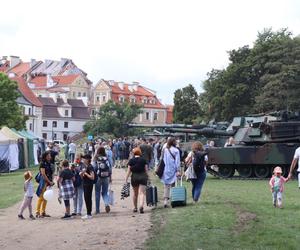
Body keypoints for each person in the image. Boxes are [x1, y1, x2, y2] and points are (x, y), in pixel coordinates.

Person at [125, 147, 149, 213]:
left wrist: (126, 179)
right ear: (140, 152)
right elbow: (146, 170)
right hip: (143, 177)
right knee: (142, 193)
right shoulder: (143, 160)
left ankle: (135, 208)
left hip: (134, 177)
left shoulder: (131, 160)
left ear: (133, 153)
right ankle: (141, 206)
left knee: (135, 194)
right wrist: (148, 177)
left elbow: (128, 171)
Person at [161, 137, 181, 208]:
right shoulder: (176, 150)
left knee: (166, 186)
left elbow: (162, 159)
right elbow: (177, 162)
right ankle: (173, 200)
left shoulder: (165, 149)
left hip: (165, 169)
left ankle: (165, 201)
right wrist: (178, 170)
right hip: (173, 169)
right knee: (173, 185)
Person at [93, 146, 112, 214]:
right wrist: (110, 177)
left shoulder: (96, 158)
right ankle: (106, 204)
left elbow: (94, 167)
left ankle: (97, 210)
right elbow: (110, 167)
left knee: (97, 193)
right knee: (105, 193)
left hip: (98, 177)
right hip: (106, 177)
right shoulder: (106, 157)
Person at [36, 151, 55, 218]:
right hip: (44, 182)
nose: (50, 157)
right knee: (41, 197)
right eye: (49, 155)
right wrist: (49, 182)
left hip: (48, 182)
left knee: (46, 198)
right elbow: (43, 174)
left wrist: (51, 181)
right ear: (46, 156)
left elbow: (51, 173)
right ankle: (37, 212)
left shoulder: (49, 163)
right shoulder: (42, 164)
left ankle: (43, 212)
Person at [80, 154, 95, 219]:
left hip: (88, 185)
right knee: (87, 199)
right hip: (85, 184)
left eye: (84, 159)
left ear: (87, 160)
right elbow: (82, 177)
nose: (83, 160)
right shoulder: (86, 166)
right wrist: (82, 174)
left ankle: (89, 214)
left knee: (88, 199)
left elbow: (92, 177)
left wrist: (85, 173)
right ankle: (89, 213)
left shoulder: (90, 167)